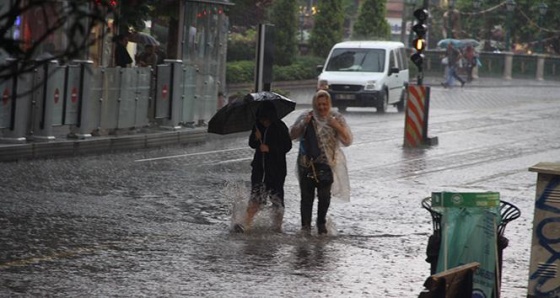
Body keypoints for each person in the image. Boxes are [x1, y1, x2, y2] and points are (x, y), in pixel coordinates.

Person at [289, 90, 353, 235]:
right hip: (307, 163)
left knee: (324, 196)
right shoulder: (307, 116)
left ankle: (321, 223)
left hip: (327, 165)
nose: (322, 108)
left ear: (329, 103)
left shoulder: (336, 117)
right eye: (319, 105)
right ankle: (305, 226)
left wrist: (336, 126)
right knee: (307, 197)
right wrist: (302, 125)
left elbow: (347, 140)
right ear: (314, 104)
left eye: (325, 104)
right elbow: (292, 135)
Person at [234, 101, 292, 233]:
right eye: (261, 119)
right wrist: (256, 138)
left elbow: (287, 146)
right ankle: (246, 224)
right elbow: (252, 144)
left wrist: (270, 148)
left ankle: (277, 227)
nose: (264, 121)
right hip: (260, 169)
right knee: (256, 196)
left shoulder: (280, 127)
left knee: (277, 199)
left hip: (276, 170)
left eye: (266, 119)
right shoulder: (257, 126)